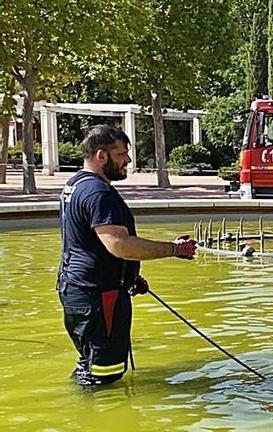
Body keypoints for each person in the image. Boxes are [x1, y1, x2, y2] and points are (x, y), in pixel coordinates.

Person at [57, 125, 197, 387]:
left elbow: (89, 244)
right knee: (104, 376)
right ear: (101, 156)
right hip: (98, 296)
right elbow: (118, 245)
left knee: (90, 363)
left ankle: (81, 416)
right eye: (121, 154)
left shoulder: (75, 185)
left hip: (80, 289)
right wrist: (174, 249)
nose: (128, 161)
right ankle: (101, 424)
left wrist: (129, 276)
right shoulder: (99, 193)